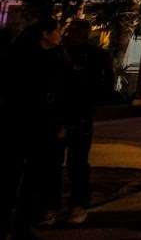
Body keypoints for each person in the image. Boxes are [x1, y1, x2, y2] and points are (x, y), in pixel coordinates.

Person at [11, 17, 69, 232]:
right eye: (57, 31)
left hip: (42, 124)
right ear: (45, 34)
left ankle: (27, 219)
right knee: (28, 173)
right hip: (30, 123)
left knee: (35, 173)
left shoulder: (57, 57)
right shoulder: (26, 59)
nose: (60, 35)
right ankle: (21, 219)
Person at [61, 21, 113, 224]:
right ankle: (62, 206)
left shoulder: (94, 56)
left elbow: (105, 85)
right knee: (64, 162)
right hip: (63, 115)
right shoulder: (60, 54)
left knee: (76, 162)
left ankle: (76, 205)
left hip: (78, 114)